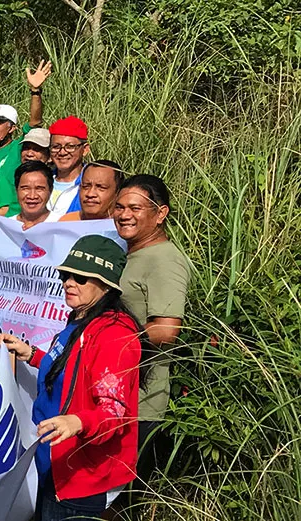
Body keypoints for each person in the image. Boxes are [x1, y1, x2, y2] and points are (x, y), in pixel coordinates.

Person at [0, 235, 141, 521]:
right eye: (65, 274)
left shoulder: (114, 335)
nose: (68, 282)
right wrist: (32, 354)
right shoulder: (80, 319)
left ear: (106, 284)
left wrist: (77, 421)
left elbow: (114, 413)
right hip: (56, 459)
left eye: (81, 277)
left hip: (82, 477)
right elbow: (70, 367)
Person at [113, 174, 189, 485]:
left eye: (135, 208)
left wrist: (107, 342)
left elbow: (167, 329)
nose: (124, 214)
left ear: (160, 214)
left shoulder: (165, 260)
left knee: (119, 499)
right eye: (119, 207)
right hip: (115, 397)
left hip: (140, 402)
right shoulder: (134, 253)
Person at [46, 115, 91, 220]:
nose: (62, 152)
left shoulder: (92, 185)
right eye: (56, 147)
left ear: (85, 149)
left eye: (70, 147)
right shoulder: (42, 180)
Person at [8, 160, 54, 229]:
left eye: (39, 189)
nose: (32, 196)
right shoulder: (6, 227)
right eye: (26, 188)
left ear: (50, 190)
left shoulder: (61, 225)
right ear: (16, 190)